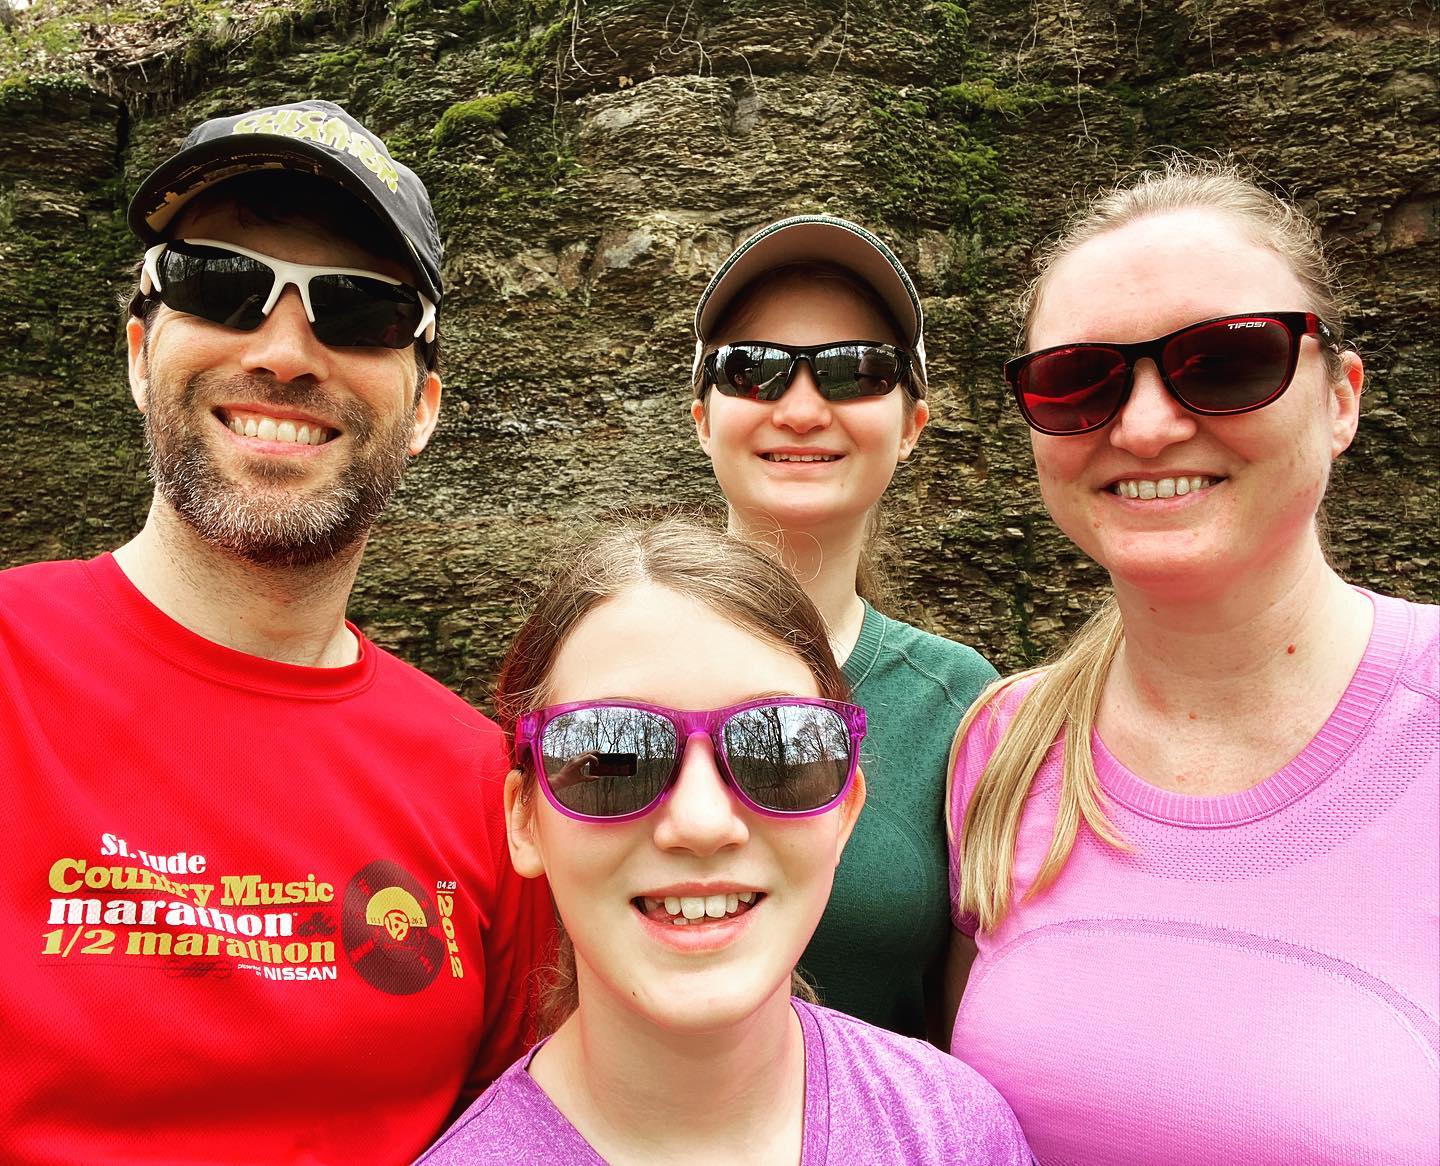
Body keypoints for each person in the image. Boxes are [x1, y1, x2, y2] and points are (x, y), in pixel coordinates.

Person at [0, 99, 549, 1164]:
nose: (288, 352)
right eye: (221, 284)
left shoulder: (486, 787)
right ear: (136, 350)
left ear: (425, 405)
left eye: (361, 311)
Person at [946, 159, 1438, 1165]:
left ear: (1341, 398)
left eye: (1225, 361)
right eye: (1076, 380)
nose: (1147, 423)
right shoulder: (1003, 747)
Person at [418, 517, 1033, 1165]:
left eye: (778, 750)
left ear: (845, 810)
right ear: (523, 821)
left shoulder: (959, 1134)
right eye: (614, 753)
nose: (703, 823)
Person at [689, 215, 997, 1041]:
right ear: (702, 418)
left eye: (854, 372)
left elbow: (971, 1028)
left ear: (911, 427)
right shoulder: (602, 663)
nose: (800, 408)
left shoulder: (965, 707)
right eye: (752, 370)